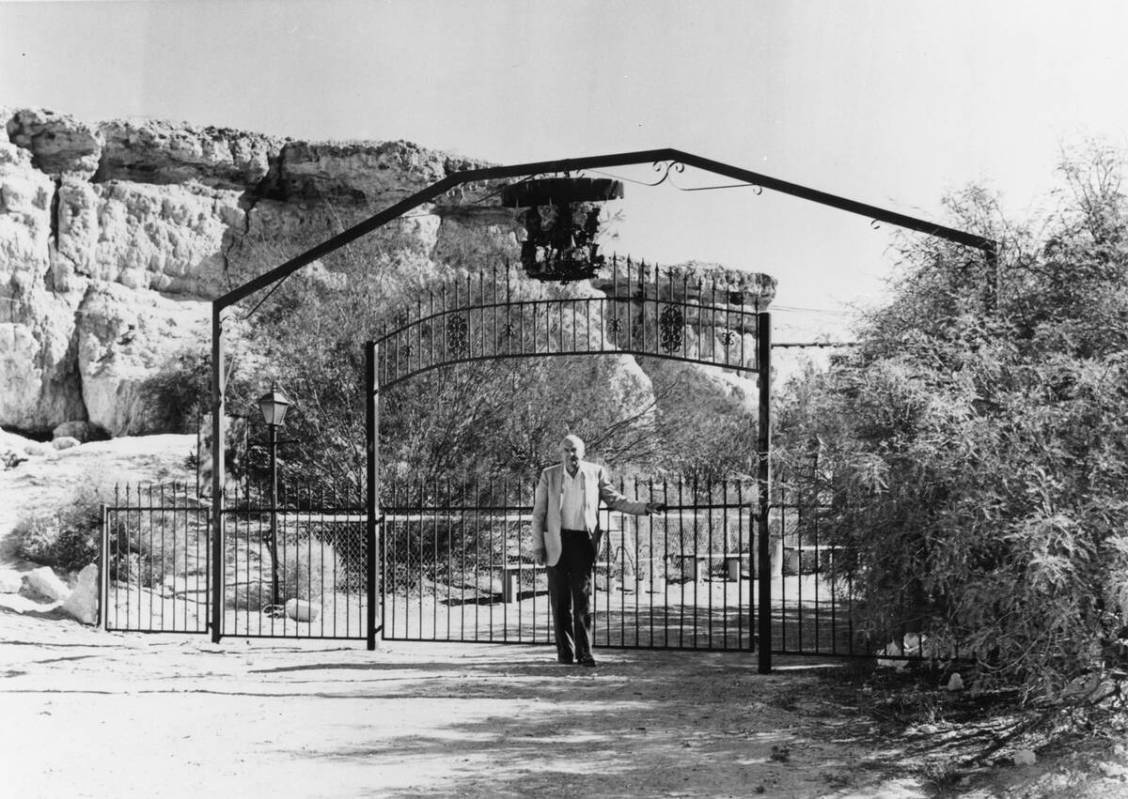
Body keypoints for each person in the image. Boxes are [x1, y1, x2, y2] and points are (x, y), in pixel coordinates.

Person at [531, 434, 665, 667]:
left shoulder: (595, 472)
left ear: (582, 452)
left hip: (583, 542)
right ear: (560, 453)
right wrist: (538, 546)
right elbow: (538, 514)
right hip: (556, 541)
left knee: (582, 601)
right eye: (566, 450)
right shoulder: (549, 475)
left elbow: (616, 500)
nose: (570, 455)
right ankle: (565, 654)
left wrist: (644, 507)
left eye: (574, 450)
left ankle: (585, 654)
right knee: (560, 602)